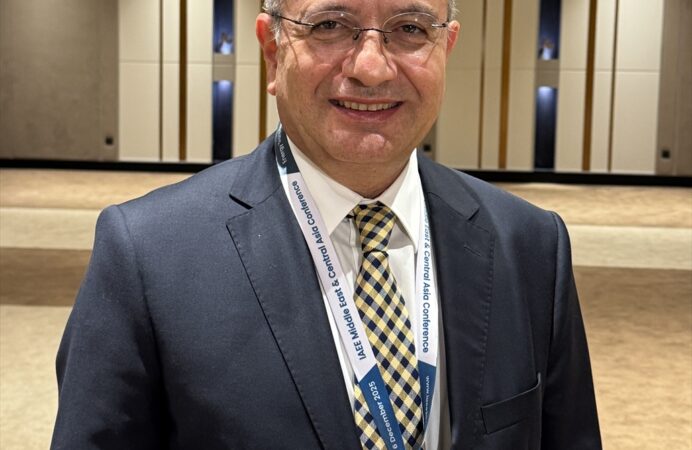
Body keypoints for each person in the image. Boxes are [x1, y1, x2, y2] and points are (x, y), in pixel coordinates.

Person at [51, 0, 601, 448]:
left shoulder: (531, 245)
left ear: (446, 48)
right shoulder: (148, 255)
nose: (371, 68)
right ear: (272, 52)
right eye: (330, 26)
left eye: (410, 29)